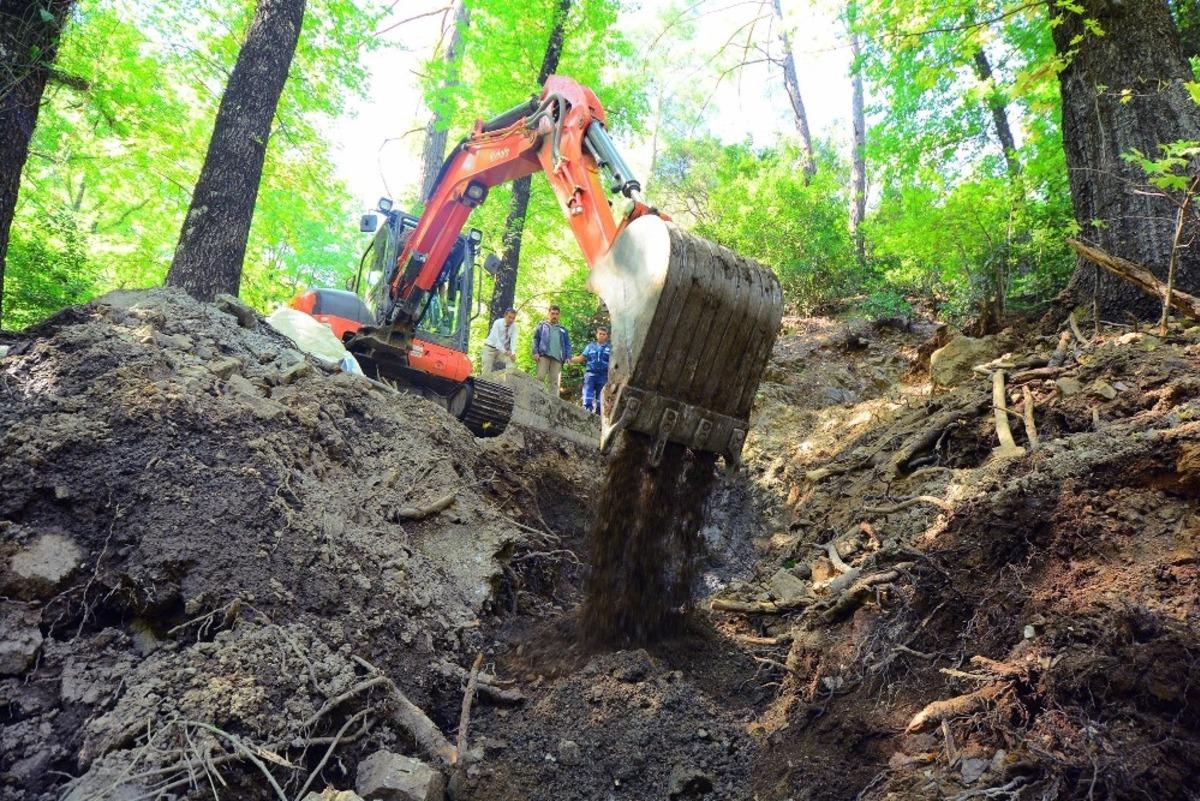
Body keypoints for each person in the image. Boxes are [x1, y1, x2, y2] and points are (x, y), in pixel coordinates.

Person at [531, 304, 571, 394]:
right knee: (540, 377)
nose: (554, 316)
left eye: (557, 314)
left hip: (557, 358)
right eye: (552, 313)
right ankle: (537, 396)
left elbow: (567, 344)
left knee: (554, 382)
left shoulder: (563, 330)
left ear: (559, 315)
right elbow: (535, 339)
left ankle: (552, 403)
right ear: (548, 314)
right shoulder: (542, 326)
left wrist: (568, 357)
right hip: (544, 355)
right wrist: (535, 352)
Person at [570, 326, 610, 414]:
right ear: (596, 335)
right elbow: (581, 358)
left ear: (606, 336)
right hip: (590, 374)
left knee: (601, 397)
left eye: (604, 334)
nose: (601, 336)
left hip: (603, 376)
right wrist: (569, 359)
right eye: (600, 334)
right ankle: (586, 411)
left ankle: (599, 415)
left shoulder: (610, 348)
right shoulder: (590, 347)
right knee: (587, 394)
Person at [481, 308, 517, 372]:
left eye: (513, 318)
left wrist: (513, 353)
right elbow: (496, 340)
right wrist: (505, 351)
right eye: (509, 317)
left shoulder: (514, 326)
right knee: (486, 370)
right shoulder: (497, 323)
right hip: (490, 348)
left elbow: (514, 340)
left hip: (501, 351)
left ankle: (508, 379)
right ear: (505, 316)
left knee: (511, 361)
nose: (511, 320)